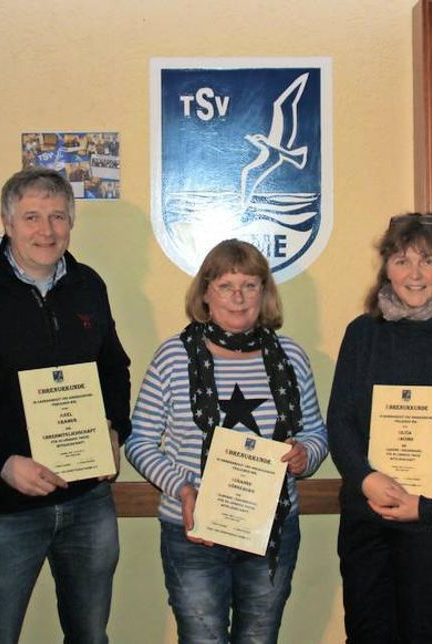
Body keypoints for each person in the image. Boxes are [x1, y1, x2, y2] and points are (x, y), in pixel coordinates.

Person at [0, 168, 131, 644]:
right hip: (5, 509)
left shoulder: (88, 285)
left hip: (88, 502)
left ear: (72, 221)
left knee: (90, 634)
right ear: (7, 221)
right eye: (32, 217)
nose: (46, 230)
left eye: (58, 217)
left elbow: (114, 368)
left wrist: (114, 430)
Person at [125, 239, 328, 644]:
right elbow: (139, 441)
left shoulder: (292, 356)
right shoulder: (173, 357)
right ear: (205, 293)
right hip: (194, 531)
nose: (238, 297)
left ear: (264, 293)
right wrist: (183, 490)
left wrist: (306, 453)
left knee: (259, 638)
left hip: (273, 529)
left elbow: (316, 431)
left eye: (250, 285)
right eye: (225, 286)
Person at [326, 213, 432, 643]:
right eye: (401, 260)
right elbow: (339, 419)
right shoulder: (363, 333)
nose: (414, 274)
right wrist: (366, 479)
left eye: (428, 260)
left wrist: (430, 505)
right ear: (386, 268)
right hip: (369, 517)